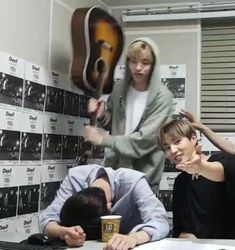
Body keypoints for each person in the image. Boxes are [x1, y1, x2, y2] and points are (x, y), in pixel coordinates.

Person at [84, 38, 173, 192]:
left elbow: (145, 140)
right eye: (133, 61)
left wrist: (101, 139)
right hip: (115, 174)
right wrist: (102, 115)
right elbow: (114, 126)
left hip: (145, 178)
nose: (138, 67)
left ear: (153, 65)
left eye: (145, 62)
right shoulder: (119, 88)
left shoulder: (163, 97)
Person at [40, 164, 169, 249]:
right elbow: (48, 219)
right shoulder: (75, 178)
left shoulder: (133, 182)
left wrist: (133, 238)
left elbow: (160, 222)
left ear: (110, 207)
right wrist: (64, 232)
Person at [158, 119, 235, 239]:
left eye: (177, 141)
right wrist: (188, 238)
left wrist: (201, 168)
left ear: (193, 139)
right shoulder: (180, 182)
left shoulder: (222, 160)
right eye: (167, 147)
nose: (173, 150)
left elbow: (221, 172)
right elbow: (180, 228)